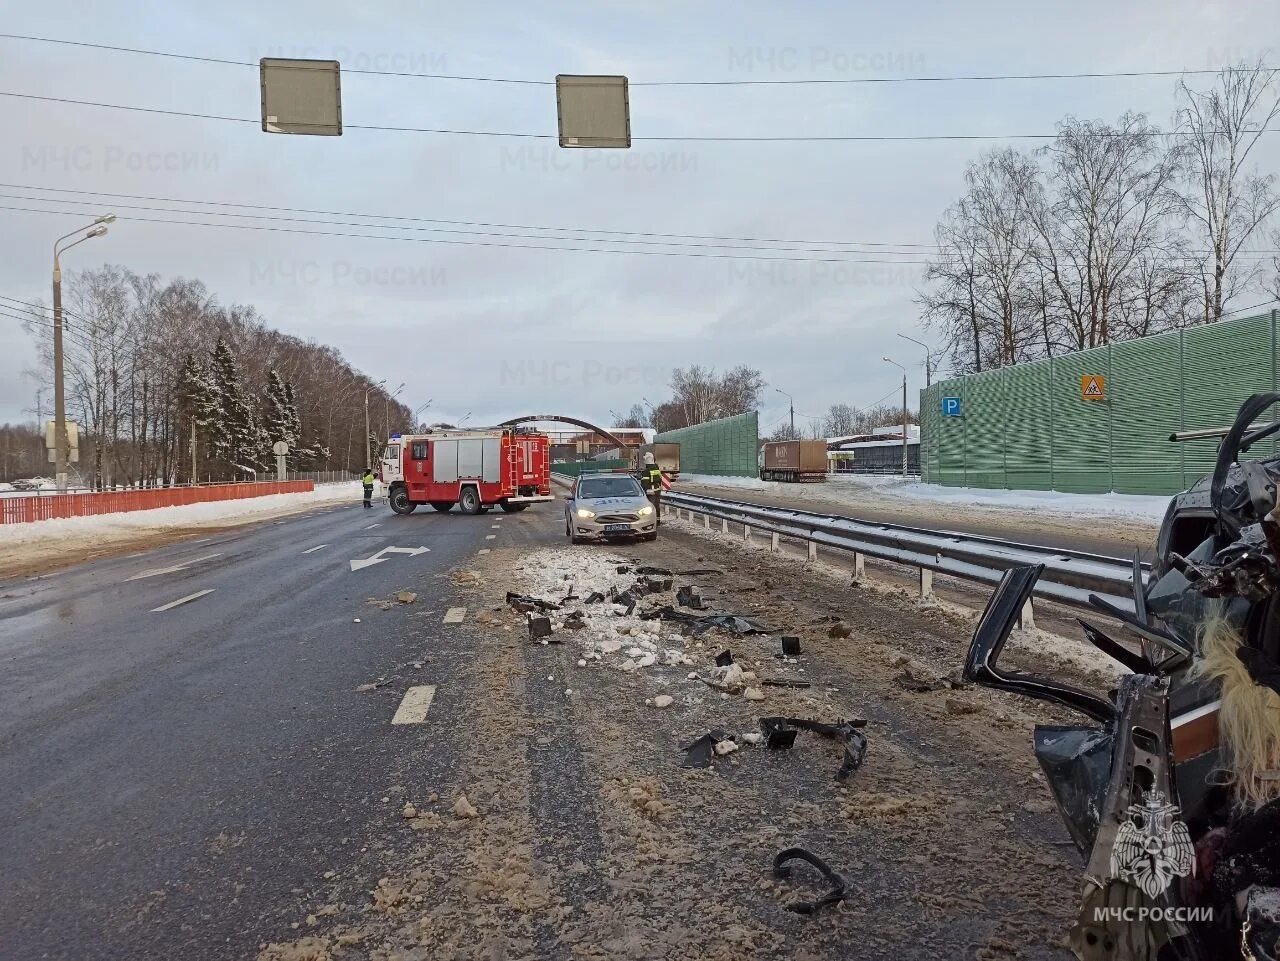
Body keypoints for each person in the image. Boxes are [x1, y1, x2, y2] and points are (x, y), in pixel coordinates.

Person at [640, 451, 664, 522]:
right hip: (657, 491)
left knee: (650, 508)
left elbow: (644, 484)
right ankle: (658, 520)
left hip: (650, 492)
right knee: (657, 506)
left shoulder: (647, 471)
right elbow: (660, 479)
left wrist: (642, 493)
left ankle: (650, 521)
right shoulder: (656, 468)